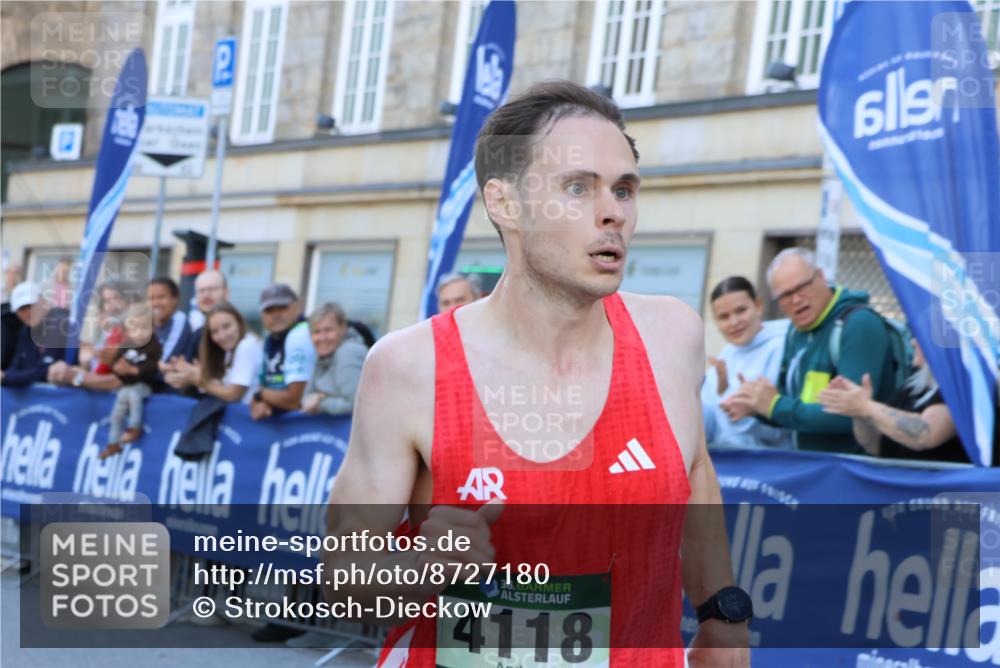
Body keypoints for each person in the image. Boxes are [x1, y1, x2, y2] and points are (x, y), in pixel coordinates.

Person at [324, 81, 749, 667]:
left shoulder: (672, 335)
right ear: (505, 203)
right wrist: (423, 567)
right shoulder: (409, 367)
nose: (613, 213)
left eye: (624, 190)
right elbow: (344, 582)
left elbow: (694, 471)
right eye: (578, 187)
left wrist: (722, 617)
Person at [726, 247, 895, 454]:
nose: (796, 300)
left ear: (822, 277)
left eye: (802, 287)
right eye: (785, 295)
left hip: (858, 471)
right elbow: (793, 408)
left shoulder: (858, 324)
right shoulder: (795, 331)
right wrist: (756, 406)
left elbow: (851, 414)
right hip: (813, 469)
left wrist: (775, 406)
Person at [818, 338, 970, 463]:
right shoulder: (915, 382)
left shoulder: (963, 385)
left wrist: (865, 407)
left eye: (920, 334)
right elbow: (875, 445)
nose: (913, 341)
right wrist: (860, 414)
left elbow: (925, 433)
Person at [702, 276, 792, 450]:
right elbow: (710, 422)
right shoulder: (727, 354)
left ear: (758, 306)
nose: (734, 322)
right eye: (724, 317)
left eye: (741, 311)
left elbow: (780, 428)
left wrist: (749, 407)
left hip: (774, 464)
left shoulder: (783, 345)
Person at [98, 304, 162, 459]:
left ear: (153, 328)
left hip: (144, 385)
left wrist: (133, 370)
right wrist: (115, 366)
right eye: (134, 329)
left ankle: (134, 428)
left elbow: (153, 367)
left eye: (144, 328)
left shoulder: (154, 346)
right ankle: (113, 443)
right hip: (127, 385)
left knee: (134, 396)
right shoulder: (126, 346)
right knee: (117, 412)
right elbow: (117, 366)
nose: (139, 333)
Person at [250, 284, 316, 420]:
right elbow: (264, 385)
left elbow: (294, 400)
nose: (275, 315)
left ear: (298, 307)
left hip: (307, 427)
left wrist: (260, 395)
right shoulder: (271, 339)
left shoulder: (300, 334)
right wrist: (260, 403)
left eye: (282, 307)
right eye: (269, 310)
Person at [162, 270, 230, 391]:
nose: (206, 295)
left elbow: (230, 385)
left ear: (226, 293)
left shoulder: (235, 332)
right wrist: (176, 368)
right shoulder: (199, 332)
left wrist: (196, 376)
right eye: (201, 291)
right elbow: (184, 372)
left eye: (213, 289)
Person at [301, 302, 368, 416]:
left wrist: (321, 403)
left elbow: (360, 405)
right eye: (316, 332)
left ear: (343, 328)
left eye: (328, 330)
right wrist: (316, 398)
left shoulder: (348, 352)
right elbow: (306, 400)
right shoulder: (323, 355)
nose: (322, 338)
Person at [0, 282, 68, 387]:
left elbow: (47, 371)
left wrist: (6, 377)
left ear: (43, 301)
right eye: (21, 309)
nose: (28, 312)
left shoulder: (60, 326)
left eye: (31, 305)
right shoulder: (26, 331)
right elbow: (15, 366)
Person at [195, 302, 262, 404]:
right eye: (214, 331)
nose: (222, 336)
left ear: (239, 322)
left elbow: (233, 395)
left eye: (226, 326)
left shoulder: (246, 345)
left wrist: (199, 380)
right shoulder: (230, 351)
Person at [148, 277, 194, 364]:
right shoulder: (150, 324)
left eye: (161, 297)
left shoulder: (179, 319)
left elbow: (165, 361)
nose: (155, 303)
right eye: (151, 298)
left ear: (175, 299)